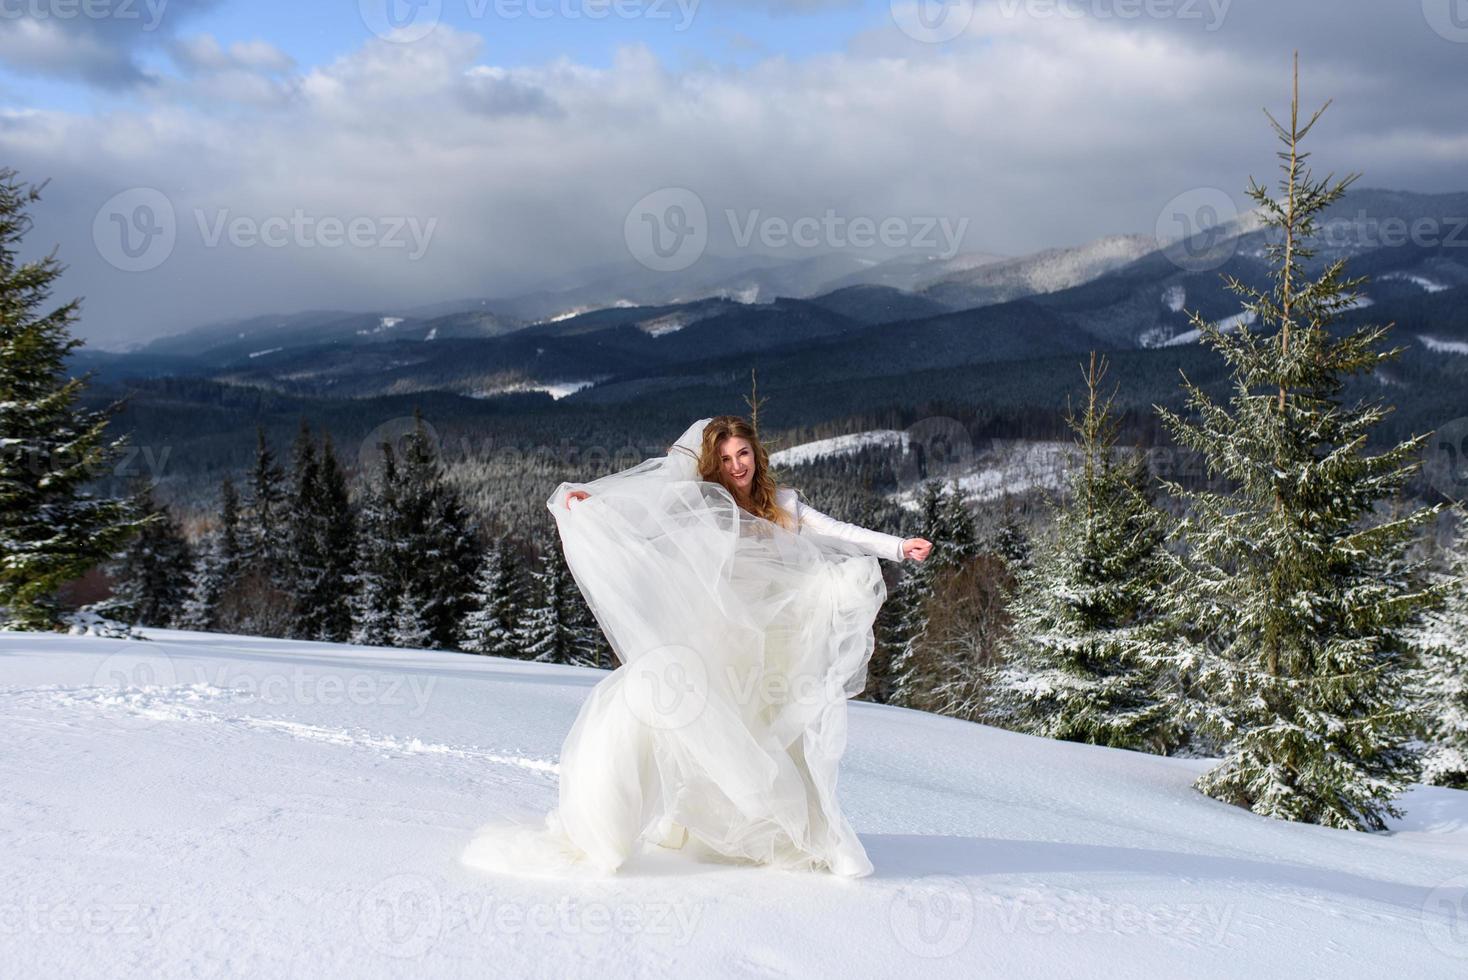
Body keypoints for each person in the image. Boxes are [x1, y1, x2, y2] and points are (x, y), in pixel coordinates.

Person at [461, 415, 932, 879]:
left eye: (743, 453)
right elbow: (646, 513)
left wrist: (896, 546)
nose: (737, 465)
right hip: (720, 637)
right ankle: (610, 824)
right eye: (725, 458)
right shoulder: (705, 505)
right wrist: (595, 506)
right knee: (683, 719)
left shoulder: (783, 505)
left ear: (756, 454)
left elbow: (838, 532)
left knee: (771, 738)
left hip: (773, 643)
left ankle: (793, 834)